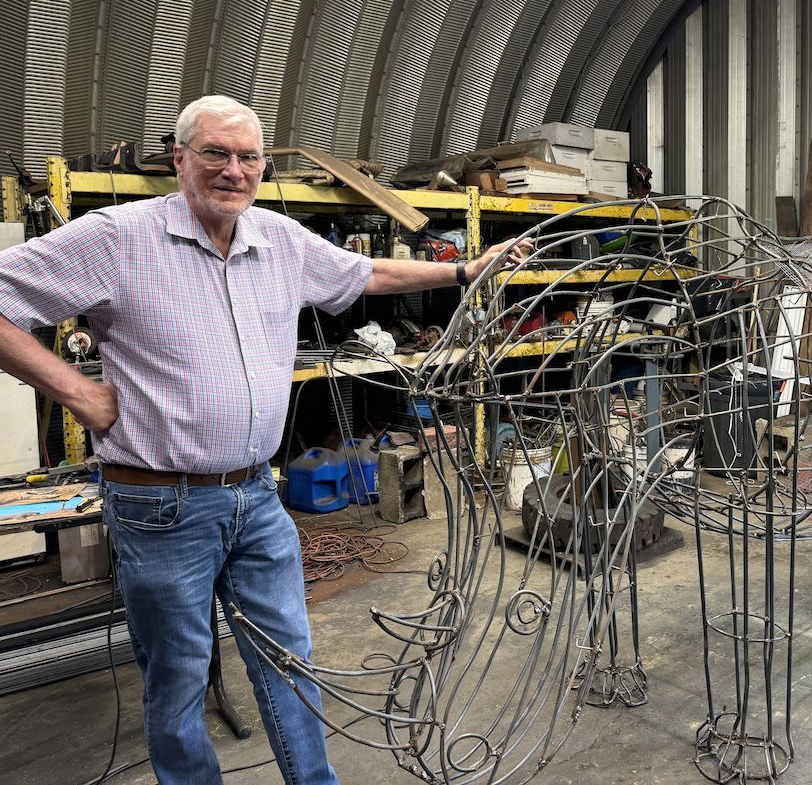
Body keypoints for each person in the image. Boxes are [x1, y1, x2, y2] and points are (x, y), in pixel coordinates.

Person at [0, 94, 523, 784]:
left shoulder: (277, 240)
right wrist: (77, 391)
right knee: (179, 679)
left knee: (288, 659)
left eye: (249, 157)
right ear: (180, 159)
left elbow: (368, 275)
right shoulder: (116, 237)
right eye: (216, 153)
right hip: (161, 509)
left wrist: (463, 271)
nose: (234, 170)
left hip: (256, 493)